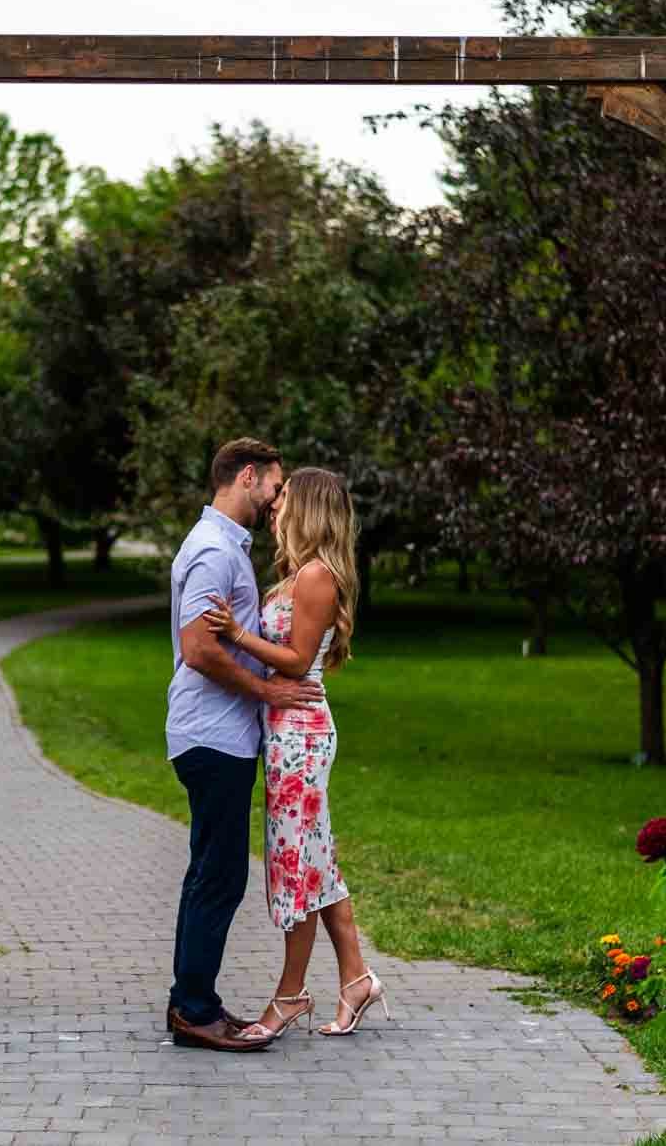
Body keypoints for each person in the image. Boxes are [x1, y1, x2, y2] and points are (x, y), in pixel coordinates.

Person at [202, 467, 388, 1039]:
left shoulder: (316, 578)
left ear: (308, 508)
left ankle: (289, 996)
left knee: (294, 866)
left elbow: (296, 659)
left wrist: (235, 633)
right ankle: (356, 980)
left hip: (301, 735)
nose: (276, 505)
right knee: (316, 861)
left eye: (285, 498)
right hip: (286, 732)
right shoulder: (298, 575)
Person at [165, 438, 326, 1053]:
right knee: (218, 876)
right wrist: (265, 690)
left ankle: (192, 1002)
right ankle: (194, 1010)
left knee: (210, 871)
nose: (278, 499)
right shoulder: (212, 550)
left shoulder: (226, 546)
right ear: (248, 477)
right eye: (275, 487)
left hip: (217, 735)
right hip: (212, 735)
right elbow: (199, 648)